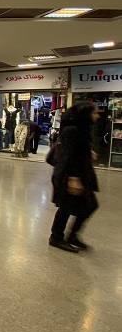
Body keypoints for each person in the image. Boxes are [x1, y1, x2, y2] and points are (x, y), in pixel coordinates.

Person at [49, 103, 100, 253]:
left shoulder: (81, 129)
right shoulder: (71, 131)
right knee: (66, 206)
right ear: (85, 114)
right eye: (94, 113)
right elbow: (66, 156)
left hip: (81, 173)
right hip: (71, 174)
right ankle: (56, 237)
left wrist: (88, 152)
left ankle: (72, 235)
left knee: (88, 205)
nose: (97, 116)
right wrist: (73, 178)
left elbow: (76, 149)